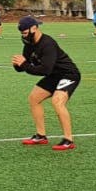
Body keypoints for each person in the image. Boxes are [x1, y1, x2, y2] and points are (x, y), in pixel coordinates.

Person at [12, 16, 80, 151]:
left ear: (34, 28)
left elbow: (44, 69)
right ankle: (41, 136)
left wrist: (24, 64)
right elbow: (27, 65)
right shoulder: (29, 45)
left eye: (25, 33)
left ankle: (68, 140)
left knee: (57, 101)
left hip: (68, 74)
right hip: (53, 76)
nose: (24, 36)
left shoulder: (47, 44)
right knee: (34, 98)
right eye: (22, 33)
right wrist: (18, 65)